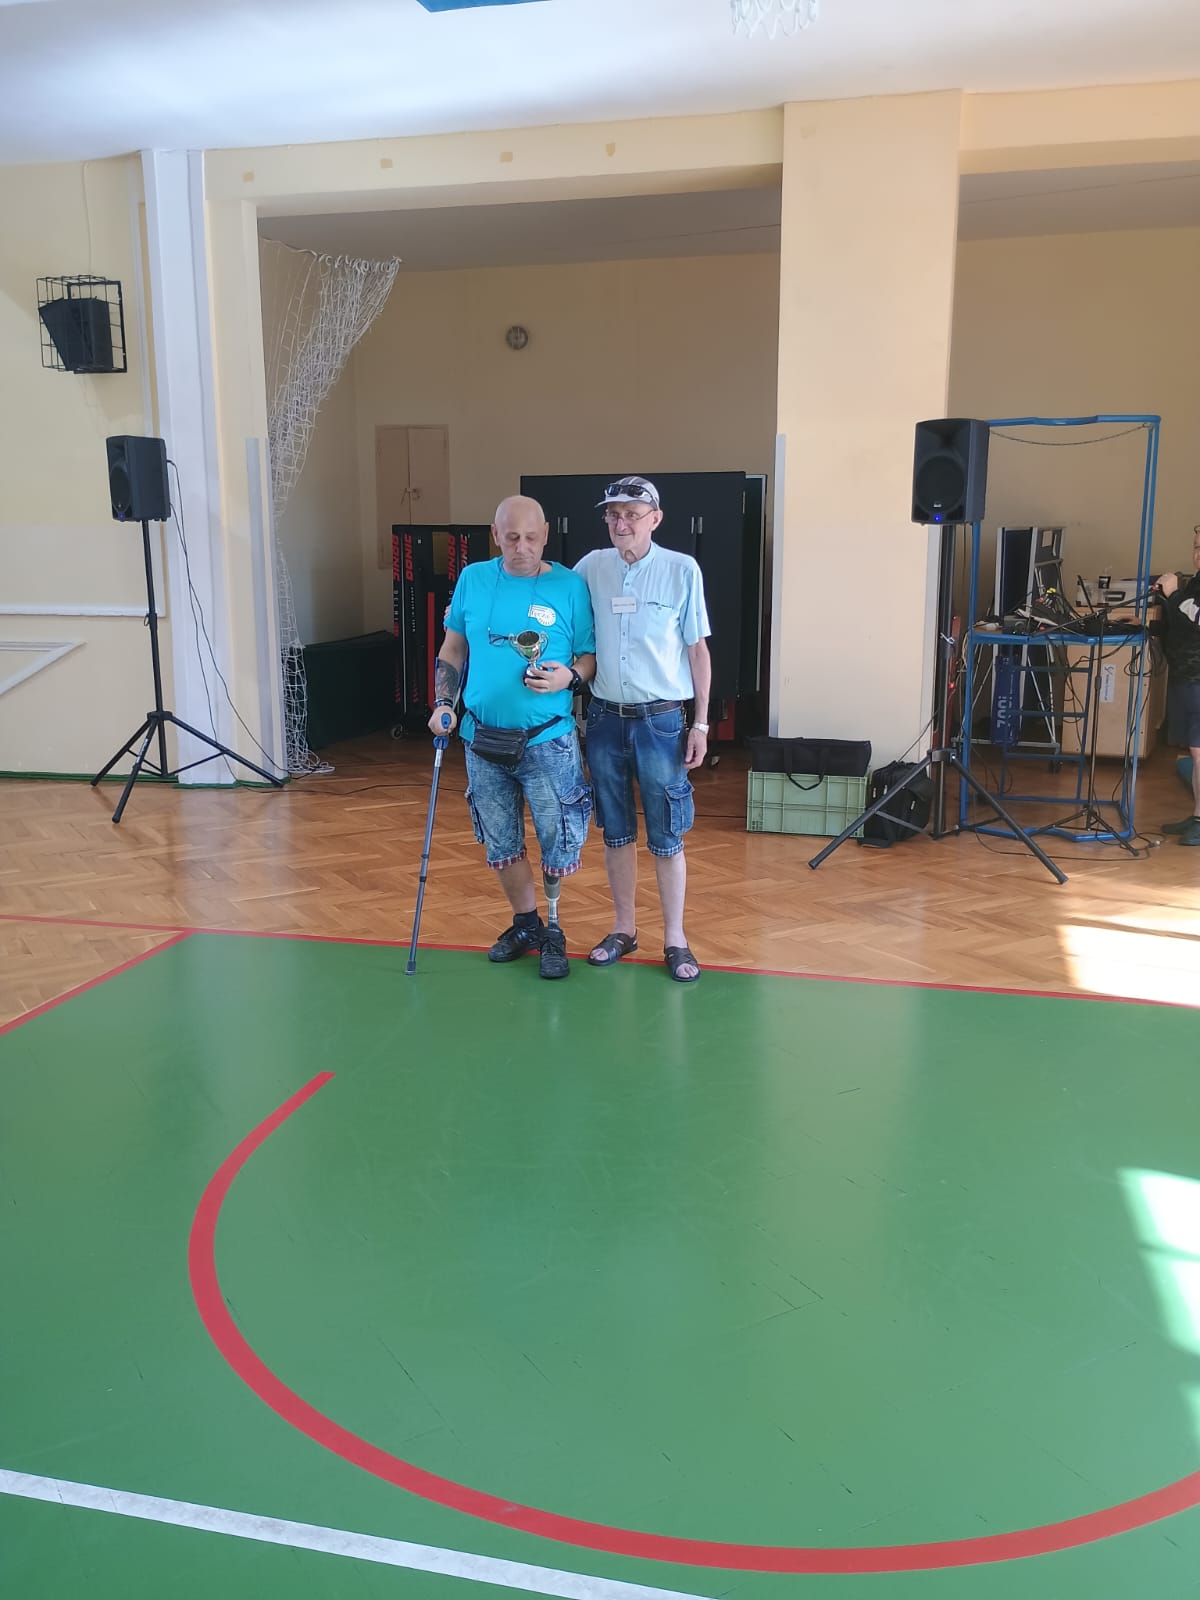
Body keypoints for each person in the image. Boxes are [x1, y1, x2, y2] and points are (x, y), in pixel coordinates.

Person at [429, 495, 596, 976]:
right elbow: (453, 648)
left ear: (546, 534)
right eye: (511, 538)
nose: (521, 548)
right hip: (482, 740)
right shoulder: (473, 578)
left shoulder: (569, 585)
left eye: (531, 538)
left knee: (558, 840)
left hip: (548, 740)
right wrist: (443, 702)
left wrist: (570, 678)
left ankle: (555, 930)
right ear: (495, 535)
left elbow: (589, 656)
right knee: (500, 841)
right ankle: (527, 925)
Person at [575, 476, 711, 982]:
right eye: (613, 515)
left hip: (661, 721)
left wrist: (701, 723)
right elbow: (558, 612)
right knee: (615, 831)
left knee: (667, 833)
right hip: (605, 719)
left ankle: (675, 938)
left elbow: (698, 650)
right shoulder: (590, 568)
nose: (621, 523)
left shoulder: (681, 569)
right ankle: (624, 929)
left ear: (655, 519)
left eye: (632, 514)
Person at [1155, 524, 1200, 845]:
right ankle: (1197, 816)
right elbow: (1183, 623)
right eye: (1196, 546)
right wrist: (1150, 627)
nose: (1197, 554)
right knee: (1195, 753)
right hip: (1187, 676)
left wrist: (1174, 594)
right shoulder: (1196, 581)